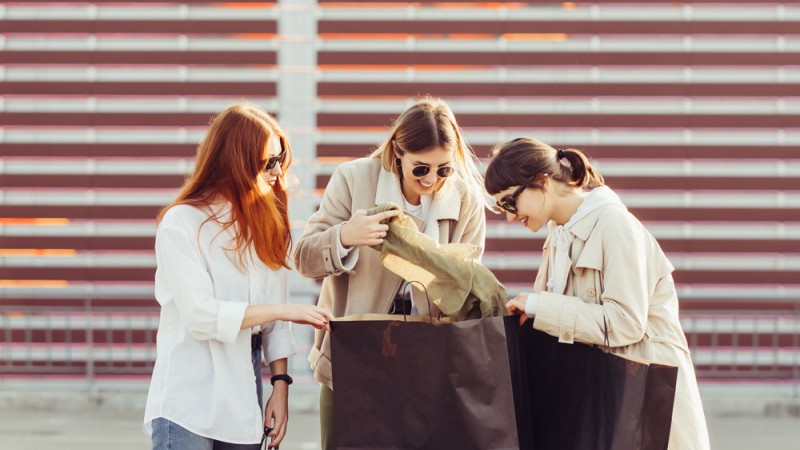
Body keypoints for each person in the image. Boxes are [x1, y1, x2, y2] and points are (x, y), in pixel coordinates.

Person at [485, 137, 710, 449]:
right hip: (607, 405)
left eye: (511, 202)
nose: (510, 216)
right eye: (501, 207)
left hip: (647, 404)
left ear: (542, 181)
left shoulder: (615, 224)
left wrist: (541, 306)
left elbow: (625, 323)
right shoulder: (559, 237)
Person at [292, 98, 490, 450]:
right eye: (421, 168)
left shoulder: (465, 200)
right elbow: (304, 259)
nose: (432, 179)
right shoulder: (354, 179)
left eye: (444, 169)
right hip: (354, 356)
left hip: (428, 363)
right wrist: (346, 236)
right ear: (398, 152)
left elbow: (469, 292)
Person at [143, 103, 334, 450]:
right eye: (268, 162)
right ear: (236, 162)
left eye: (281, 159)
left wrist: (280, 385)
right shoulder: (181, 223)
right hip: (186, 400)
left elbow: (276, 327)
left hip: (244, 400)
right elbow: (201, 316)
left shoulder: (268, 226)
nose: (278, 171)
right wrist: (284, 310)